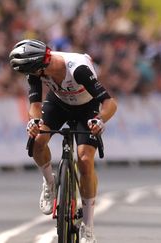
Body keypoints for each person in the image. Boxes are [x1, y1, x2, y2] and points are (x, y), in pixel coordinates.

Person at [9, 39, 117, 243]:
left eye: (31, 73)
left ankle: (88, 227)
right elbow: (34, 103)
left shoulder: (78, 70)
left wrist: (100, 120)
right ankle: (50, 183)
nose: (30, 76)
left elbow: (109, 102)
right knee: (38, 140)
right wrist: (34, 121)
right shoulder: (36, 66)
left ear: (41, 68)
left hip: (87, 107)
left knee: (84, 161)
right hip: (58, 103)